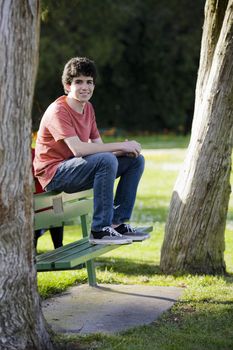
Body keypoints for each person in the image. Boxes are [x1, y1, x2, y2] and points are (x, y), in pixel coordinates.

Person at [33, 57, 150, 245]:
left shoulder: (88, 108)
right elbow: (79, 149)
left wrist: (125, 151)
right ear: (67, 86)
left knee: (136, 160)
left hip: (75, 169)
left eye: (89, 82)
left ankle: (116, 223)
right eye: (78, 82)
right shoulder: (58, 111)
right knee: (107, 159)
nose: (85, 87)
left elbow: (100, 149)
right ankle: (99, 230)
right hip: (53, 174)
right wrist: (120, 145)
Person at [32, 148, 64, 250]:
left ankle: (33, 252)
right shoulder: (39, 153)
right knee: (56, 207)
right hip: (49, 207)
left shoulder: (33, 154)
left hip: (38, 209)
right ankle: (58, 246)